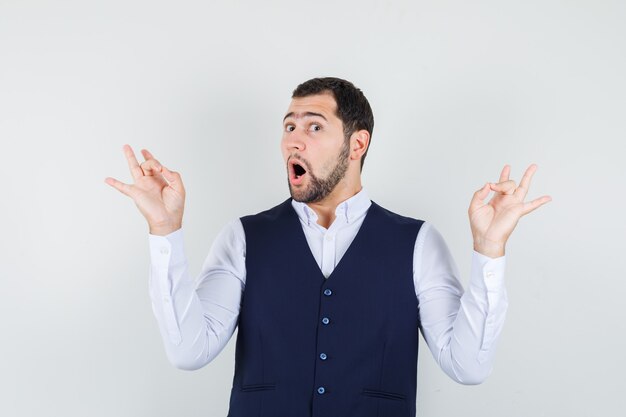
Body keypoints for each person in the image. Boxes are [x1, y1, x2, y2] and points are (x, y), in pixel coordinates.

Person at [105, 77, 551, 417]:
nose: (294, 139)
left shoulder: (417, 242)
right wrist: (164, 229)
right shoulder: (244, 237)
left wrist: (489, 247)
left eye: (314, 126)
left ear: (357, 143)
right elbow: (188, 351)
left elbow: (467, 366)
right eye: (289, 126)